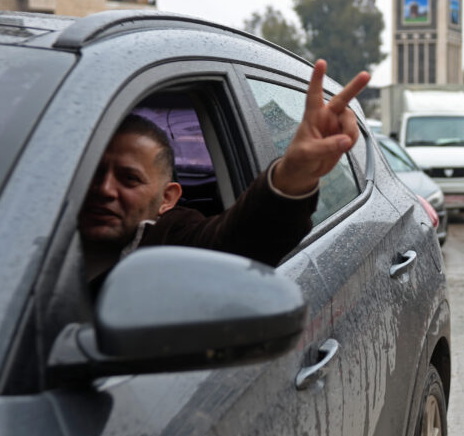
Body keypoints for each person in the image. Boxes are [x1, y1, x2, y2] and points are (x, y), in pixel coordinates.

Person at [78, 59, 369, 285]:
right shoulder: (51, 219)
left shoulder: (171, 242)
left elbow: (238, 240)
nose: (105, 189)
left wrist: (294, 173)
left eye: (129, 179)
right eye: (94, 173)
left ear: (167, 198)